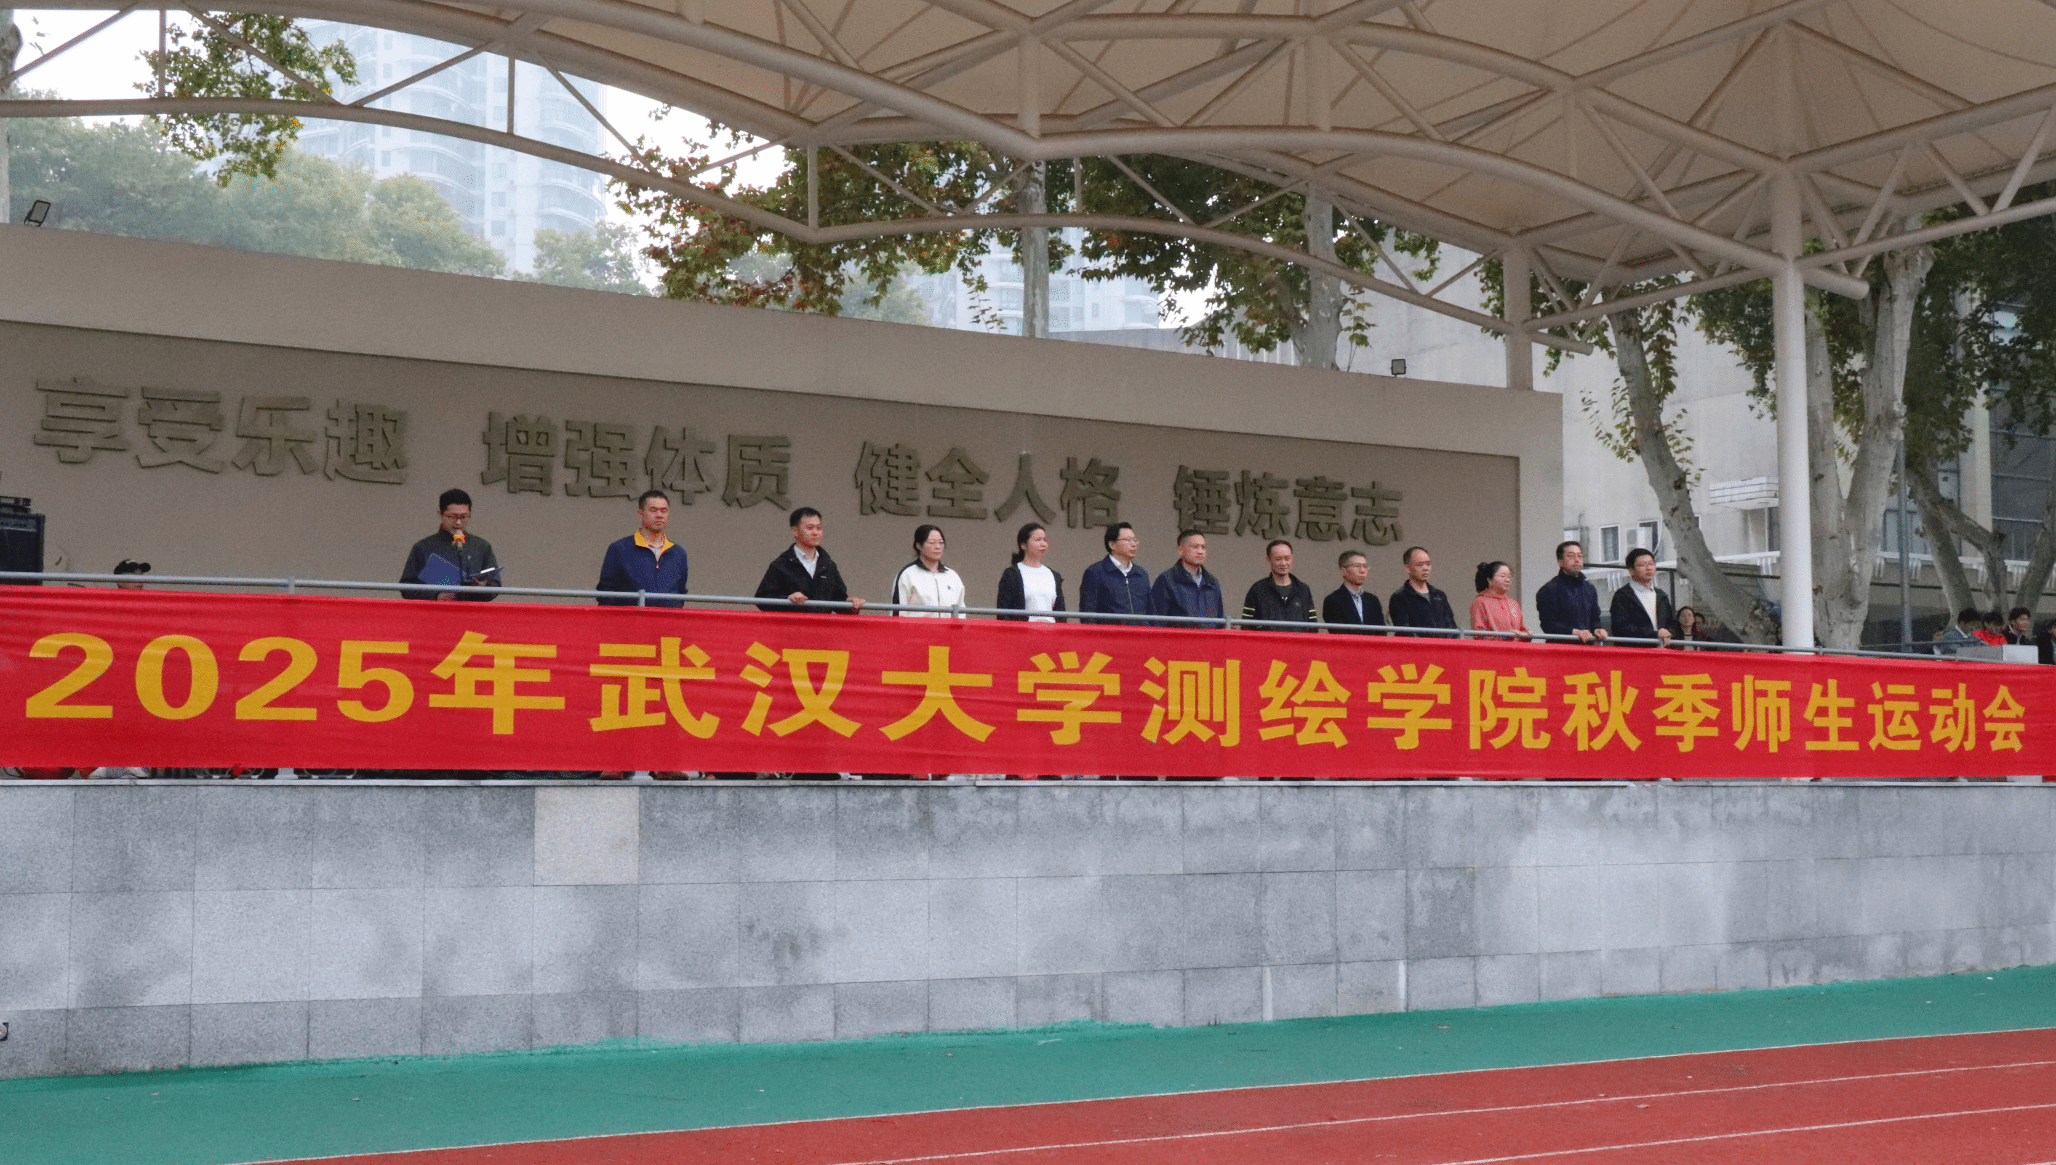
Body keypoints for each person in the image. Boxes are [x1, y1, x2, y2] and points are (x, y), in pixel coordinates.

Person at [755, 507, 863, 613]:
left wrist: (851, 605)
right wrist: (787, 599)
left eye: (819, 528)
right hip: (793, 624)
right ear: (795, 531)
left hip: (822, 624)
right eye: (810, 528)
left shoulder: (828, 565)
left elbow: (838, 598)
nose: (815, 533)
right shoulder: (781, 564)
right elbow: (762, 599)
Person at [400, 488, 501, 601]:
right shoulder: (423, 547)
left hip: (472, 609)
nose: (458, 522)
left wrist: (482, 588)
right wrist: (436, 596)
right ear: (441, 514)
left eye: (464, 517)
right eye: (452, 517)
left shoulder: (481, 546)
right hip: (436, 610)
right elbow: (406, 588)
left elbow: (495, 585)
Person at [596, 490, 689, 607]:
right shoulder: (619, 549)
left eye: (664, 510)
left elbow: (680, 591)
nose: (659, 515)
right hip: (630, 617)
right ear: (640, 514)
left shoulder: (678, 553)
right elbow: (606, 592)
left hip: (668, 618)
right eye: (653, 510)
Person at [1077, 521, 1151, 623]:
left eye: (1135, 540)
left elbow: (1151, 611)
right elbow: (1088, 613)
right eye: (1128, 540)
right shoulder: (1095, 572)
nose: (1133, 544)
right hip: (1109, 633)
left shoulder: (1141, 574)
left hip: (1140, 632)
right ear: (1112, 545)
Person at [1151, 530, 1226, 626]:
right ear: (1180, 550)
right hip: (1178, 636)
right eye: (1195, 547)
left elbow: (1219, 620)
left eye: (1203, 547)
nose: (1200, 552)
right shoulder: (1166, 580)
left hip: (1209, 635)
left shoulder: (1212, 582)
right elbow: (1157, 621)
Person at [1535, 540, 1604, 643]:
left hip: (1587, 648)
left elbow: (1595, 619)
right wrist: (1575, 632)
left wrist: (1597, 629)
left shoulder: (1589, 589)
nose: (1577, 560)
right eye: (1571, 556)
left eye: (1580, 556)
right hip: (1561, 649)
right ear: (1560, 562)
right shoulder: (1549, 590)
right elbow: (1548, 624)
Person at [996, 522, 1066, 623]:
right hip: (1024, 631)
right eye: (1038, 540)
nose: (1043, 544)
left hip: (1051, 630)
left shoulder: (1053, 575)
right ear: (1023, 545)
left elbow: (1061, 612)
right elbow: (1003, 612)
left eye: (1045, 540)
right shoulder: (1012, 574)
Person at [892, 524, 966, 617]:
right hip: (917, 626)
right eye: (931, 543)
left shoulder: (952, 576)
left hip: (949, 626)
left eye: (941, 543)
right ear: (919, 545)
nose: (937, 547)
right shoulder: (907, 574)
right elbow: (898, 612)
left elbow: (961, 611)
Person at [1608, 548, 1677, 646]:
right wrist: (1654, 634)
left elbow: (1672, 623)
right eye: (1642, 565)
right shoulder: (1623, 595)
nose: (1648, 568)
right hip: (1636, 651)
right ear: (1631, 570)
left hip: (1662, 650)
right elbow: (1620, 628)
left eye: (1651, 564)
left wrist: (1668, 632)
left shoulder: (1661, 595)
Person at [1241, 539, 1316, 627]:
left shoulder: (1303, 590)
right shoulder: (1257, 590)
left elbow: (1312, 626)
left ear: (1292, 559)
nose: (1283, 563)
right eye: (1278, 559)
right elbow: (1246, 625)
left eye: (1287, 559)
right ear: (1268, 559)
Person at [1388, 546, 1457, 634]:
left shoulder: (1439, 595)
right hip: (1417, 643)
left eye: (1428, 564)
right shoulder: (1400, 597)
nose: (1425, 568)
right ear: (1407, 568)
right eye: (1420, 565)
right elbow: (1404, 631)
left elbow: (1451, 627)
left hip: (1443, 643)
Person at [1322, 549, 1385, 631]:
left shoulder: (1373, 600)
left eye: (1365, 566)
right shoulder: (1333, 600)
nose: (1362, 571)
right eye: (1357, 566)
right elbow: (1337, 632)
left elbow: (1381, 632)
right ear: (1343, 571)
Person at [1468, 560, 1529, 639]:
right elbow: (1478, 633)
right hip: (1493, 647)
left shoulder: (1513, 603)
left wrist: (1526, 635)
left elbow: (1522, 629)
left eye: (1509, 577)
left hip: (1515, 646)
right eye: (1502, 576)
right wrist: (1505, 637)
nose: (1507, 580)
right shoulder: (1480, 601)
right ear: (1489, 580)